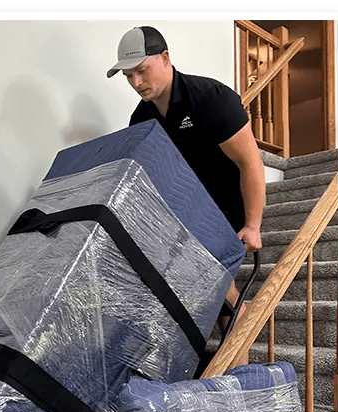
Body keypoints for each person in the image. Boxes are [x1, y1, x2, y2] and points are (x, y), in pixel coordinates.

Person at [107, 26, 266, 358]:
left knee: (218, 283)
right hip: (186, 213)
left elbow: (250, 164)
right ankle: (235, 325)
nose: (136, 83)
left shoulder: (210, 98)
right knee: (203, 288)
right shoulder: (142, 118)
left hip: (226, 209)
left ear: (165, 59)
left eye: (141, 71)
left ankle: (238, 363)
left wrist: (252, 225)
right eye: (128, 76)